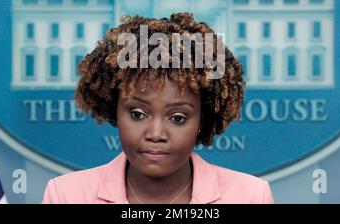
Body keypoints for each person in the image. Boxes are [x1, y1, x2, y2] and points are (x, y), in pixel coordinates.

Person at [42, 12, 274, 204]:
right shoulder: (65, 196)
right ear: (115, 111)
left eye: (178, 118)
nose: (155, 134)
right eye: (137, 114)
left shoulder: (250, 197)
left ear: (202, 119)